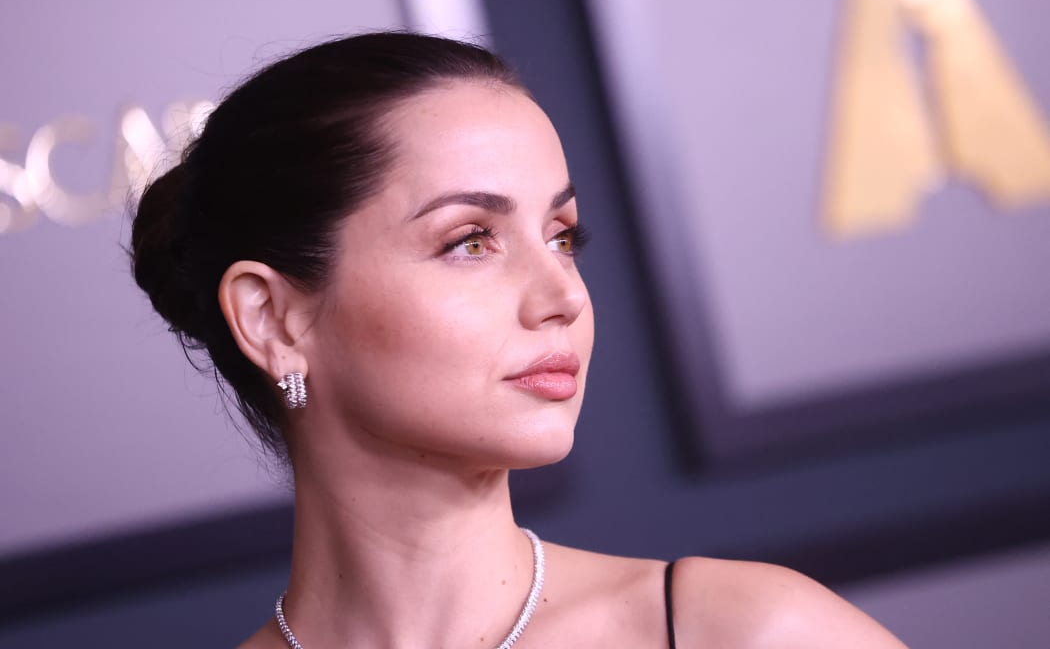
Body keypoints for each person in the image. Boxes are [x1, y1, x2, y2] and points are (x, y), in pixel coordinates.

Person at [130, 32, 905, 648]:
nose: (564, 296)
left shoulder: (745, 633)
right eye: (471, 240)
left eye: (563, 236)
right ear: (272, 319)